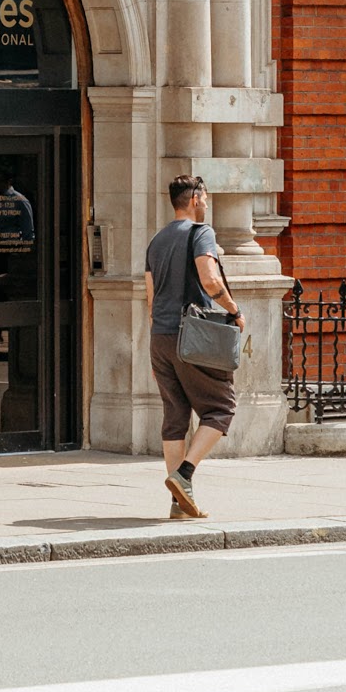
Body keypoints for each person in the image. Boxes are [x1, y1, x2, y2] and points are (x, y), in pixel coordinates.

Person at [142, 174, 242, 520]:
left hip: (161, 338)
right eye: (206, 198)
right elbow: (210, 279)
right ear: (196, 199)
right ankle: (184, 474)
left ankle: (179, 504)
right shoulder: (202, 233)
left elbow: (150, 299)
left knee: (175, 416)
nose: (207, 204)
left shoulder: (155, 241)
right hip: (192, 337)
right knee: (221, 408)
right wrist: (234, 310)